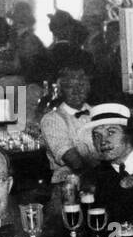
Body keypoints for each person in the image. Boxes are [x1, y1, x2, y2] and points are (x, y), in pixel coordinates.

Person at [38, 50, 99, 200]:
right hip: (67, 189)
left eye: (82, 84)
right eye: (70, 85)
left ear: (89, 86)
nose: (77, 90)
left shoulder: (99, 114)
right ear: (60, 89)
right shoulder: (52, 120)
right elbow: (74, 161)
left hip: (101, 183)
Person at [88, 102, 133, 226]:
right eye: (96, 135)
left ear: (129, 135)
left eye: (111, 132)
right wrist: (122, 187)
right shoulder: (93, 177)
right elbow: (106, 228)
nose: (103, 142)